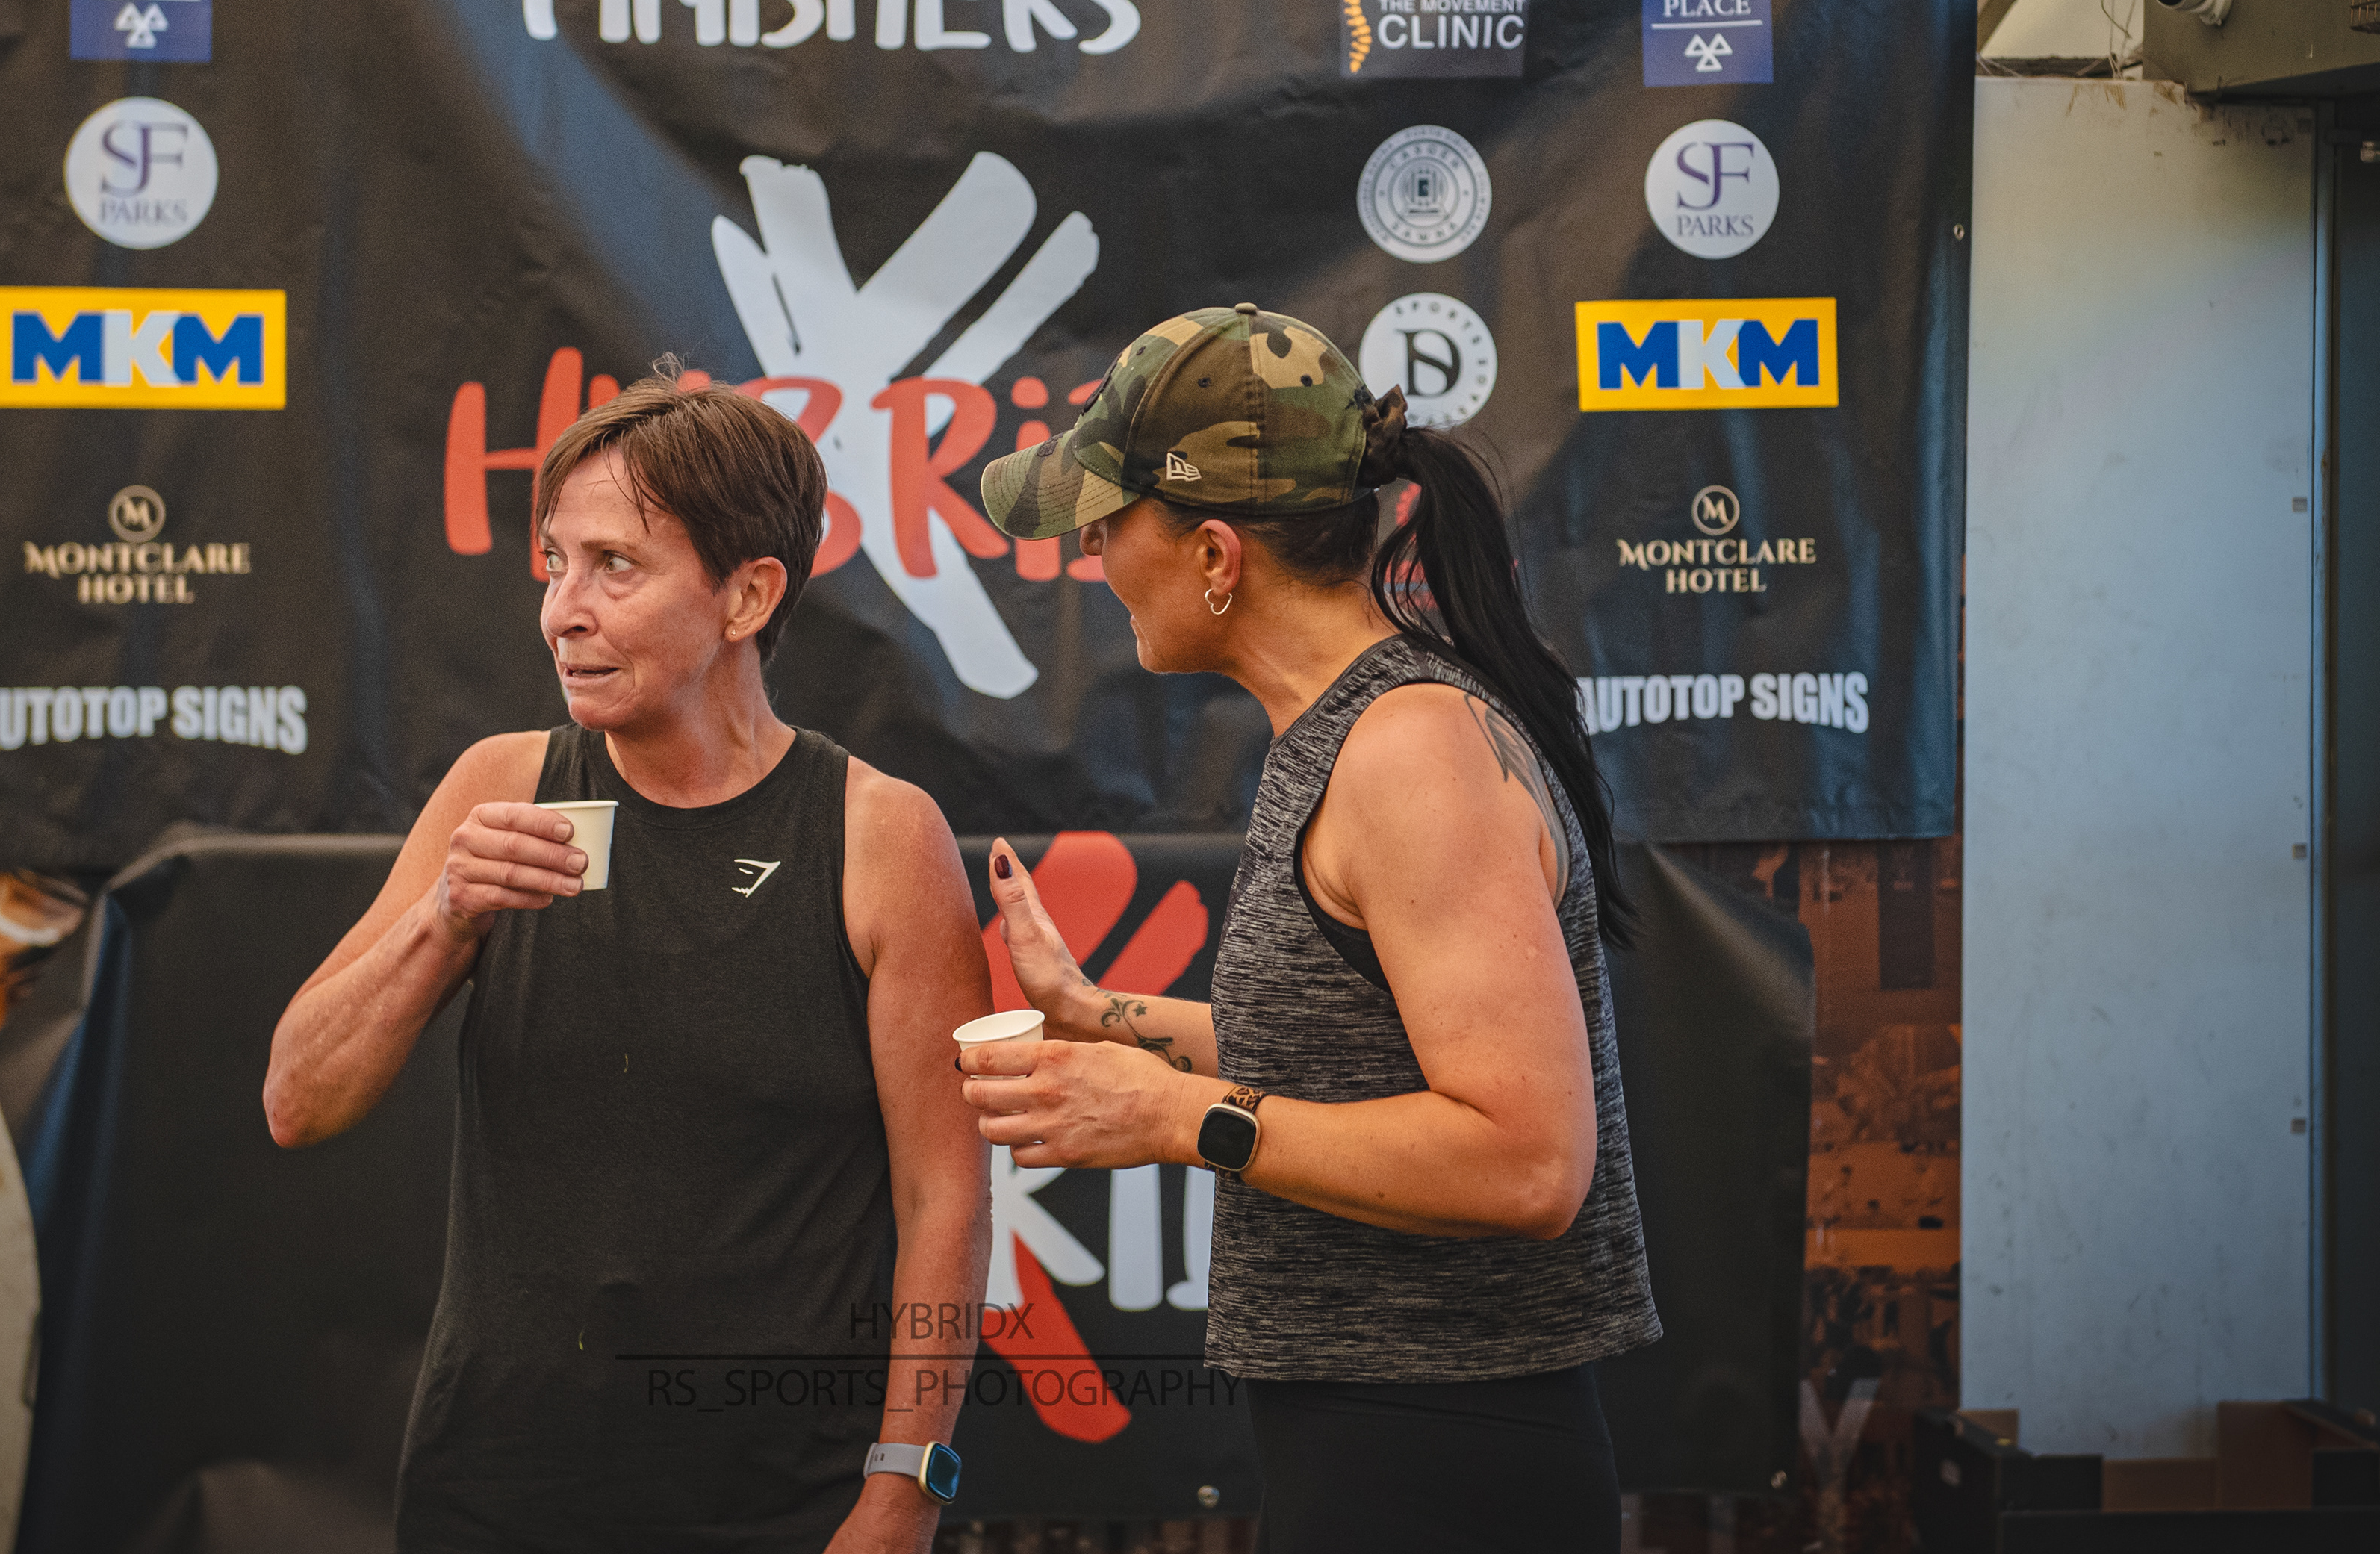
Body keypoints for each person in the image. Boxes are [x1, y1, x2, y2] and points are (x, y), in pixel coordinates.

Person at [958, 305, 1659, 1553]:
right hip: (1377, 1444)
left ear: (1215, 554)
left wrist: (1177, 1119)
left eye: (1110, 519)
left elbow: (1527, 1163)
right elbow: (1351, 1064)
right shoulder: (1351, 730)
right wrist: (1096, 1015)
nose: (1094, 550)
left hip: (1448, 1464)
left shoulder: (1410, 751)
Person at [263, 370, 992, 1554]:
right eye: (555, 563)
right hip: (499, 1491)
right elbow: (297, 1100)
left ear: (748, 594)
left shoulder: (880, 836)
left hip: (785, 1502)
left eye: (615, 566)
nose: (564, 610)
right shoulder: (501, 786)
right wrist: (444, 916)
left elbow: (943, 1197)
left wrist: (905, 1488)